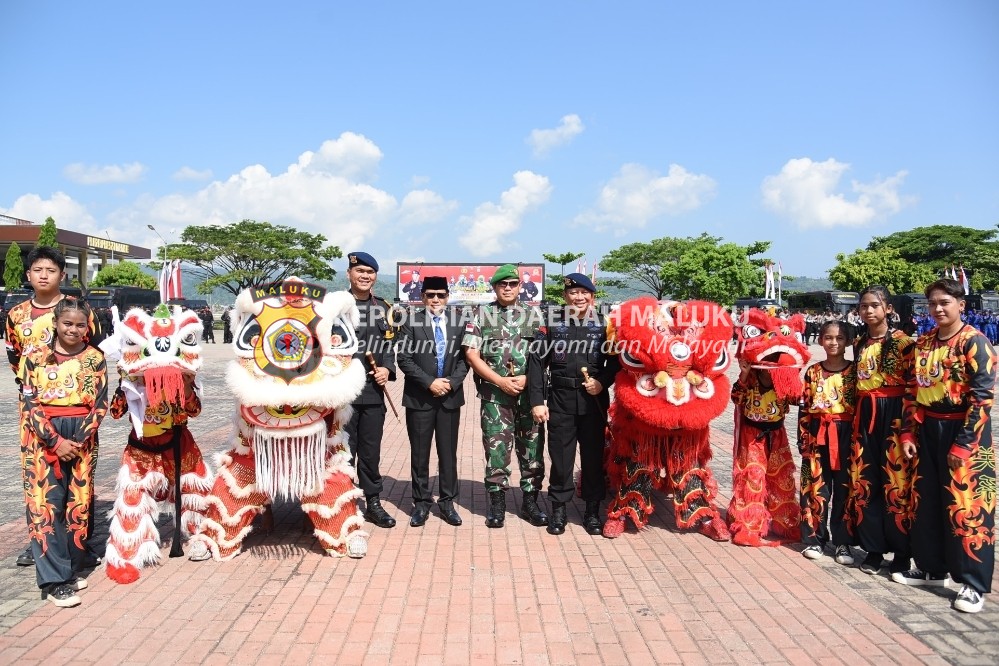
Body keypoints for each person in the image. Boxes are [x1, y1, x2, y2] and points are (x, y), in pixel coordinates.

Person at [897, 278, 996, 614]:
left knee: (967, 505)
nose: (938, 309)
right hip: (927, 427)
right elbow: (912, 390)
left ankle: (973, 583)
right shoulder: (923, 344)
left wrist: (965, 445)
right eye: (933, 304)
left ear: (961, 305)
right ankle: (930, 568)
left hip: (965, 431)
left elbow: (983, 397)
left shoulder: (975, 342)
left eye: (945, 303)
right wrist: (908, 433)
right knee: (925, 501)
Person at [6, 246, 103, 568]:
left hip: (76, 410)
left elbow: (94, 349)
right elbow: (15, 359)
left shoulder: (77, 310)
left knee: (78, 482)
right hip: (35, 409)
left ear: (62, 275)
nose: (44, 275)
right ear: (28, 275)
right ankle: (42, 544)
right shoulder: (16, 316)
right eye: (37, 270)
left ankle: (78, 545)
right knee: (38, 481)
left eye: (51, 270)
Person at [104, 304, 213, 582]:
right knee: (132, 501)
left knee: (197, 492)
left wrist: (187, 385)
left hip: (180, 444)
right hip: (142, 449)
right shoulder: (132, 384)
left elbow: (194, 411)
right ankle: (127, 553)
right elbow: (116, 414)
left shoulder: (181, 382)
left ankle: (202, 538)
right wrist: (123, 383)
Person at [21, 298, 108, 607]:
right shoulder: (34, 357)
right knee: (46, 506)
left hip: (82, 440)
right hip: (43, 440)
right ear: (56, 323)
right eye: (67, 323)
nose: (73, 329)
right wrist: (55, 441)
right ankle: (54, 581)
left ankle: (69, 568)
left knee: (78, 506)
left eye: (80, 324)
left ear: (88, 327)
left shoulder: (96, 358)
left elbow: (100, 404)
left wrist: (80, 439)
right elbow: (29, 402)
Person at [528, 273, 618, 536]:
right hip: (560, 400)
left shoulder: (605, 325)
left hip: (593, 402)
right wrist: (537, 402)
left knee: (592, 458)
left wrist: (602, 382)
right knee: (561, 459)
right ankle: (559, 511)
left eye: (583, 293)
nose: (578, 297)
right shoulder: (551, 323)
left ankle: (591, 512)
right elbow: (536, 364)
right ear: (565, 296)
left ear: (592, 296)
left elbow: (614, 362)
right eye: (572, 293)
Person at [463, 263, 547, 528]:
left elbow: (543, 354)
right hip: (495, 398)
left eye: (512, 284)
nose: (508, 288)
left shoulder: (534, 316)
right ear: (495, 287)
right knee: (496, 452)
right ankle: (497, 505)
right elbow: (471, 354)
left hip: (527, 396)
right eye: (503, 284)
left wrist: (528, 379)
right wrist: (500, 381)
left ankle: (530, 503)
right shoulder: (480, 314)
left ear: (520, 286)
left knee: (532, 450)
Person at [845, 285, 915, 576]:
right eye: (864, 306)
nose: (869, 310)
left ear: (888, 308)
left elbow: (914, 385)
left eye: (875, 305)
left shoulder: (905, 343)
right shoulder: (859, 342)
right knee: (865, 479)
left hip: (895, 415)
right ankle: (873, 549)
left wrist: (910, 426)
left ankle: (902, 551)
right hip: (865, 415)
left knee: (897, 482)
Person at [396, 276, 469, 527]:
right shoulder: (411, 322)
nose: (435, 299)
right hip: (420, 398)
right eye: (430, 295)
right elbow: (404, 359)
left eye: (440, 295)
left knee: (448, 453)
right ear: (422, 297)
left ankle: (447, 502)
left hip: (449, 397)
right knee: (420, 453)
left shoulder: (459, 323)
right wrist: (430, 382)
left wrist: (450, 382)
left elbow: (465, 359)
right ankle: (422, 502)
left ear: (447, 297)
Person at [342, 252, 398, 528]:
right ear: (349, 274)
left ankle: (373, 501)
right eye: (360, 271)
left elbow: (389, 345)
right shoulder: (335, 307)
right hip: (341, 395)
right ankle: (342, 503)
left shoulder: (385, 307)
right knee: (342, 451)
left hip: (373, 392)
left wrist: (387, 368)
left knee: (370, 450)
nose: (365, 276)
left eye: (370, 272)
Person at [798, 320, 856, 565]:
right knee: (816, 489)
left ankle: (843, 542)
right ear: (820, 339)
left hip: (846, 435)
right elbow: (804, 410)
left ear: (849, 342)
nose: (834, 342)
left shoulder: (855, 372)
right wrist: (804, 441)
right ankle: (815, 539)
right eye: (829, 337)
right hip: (817, 433)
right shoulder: (812, 371)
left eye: (840, 338)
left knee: (845, 489)